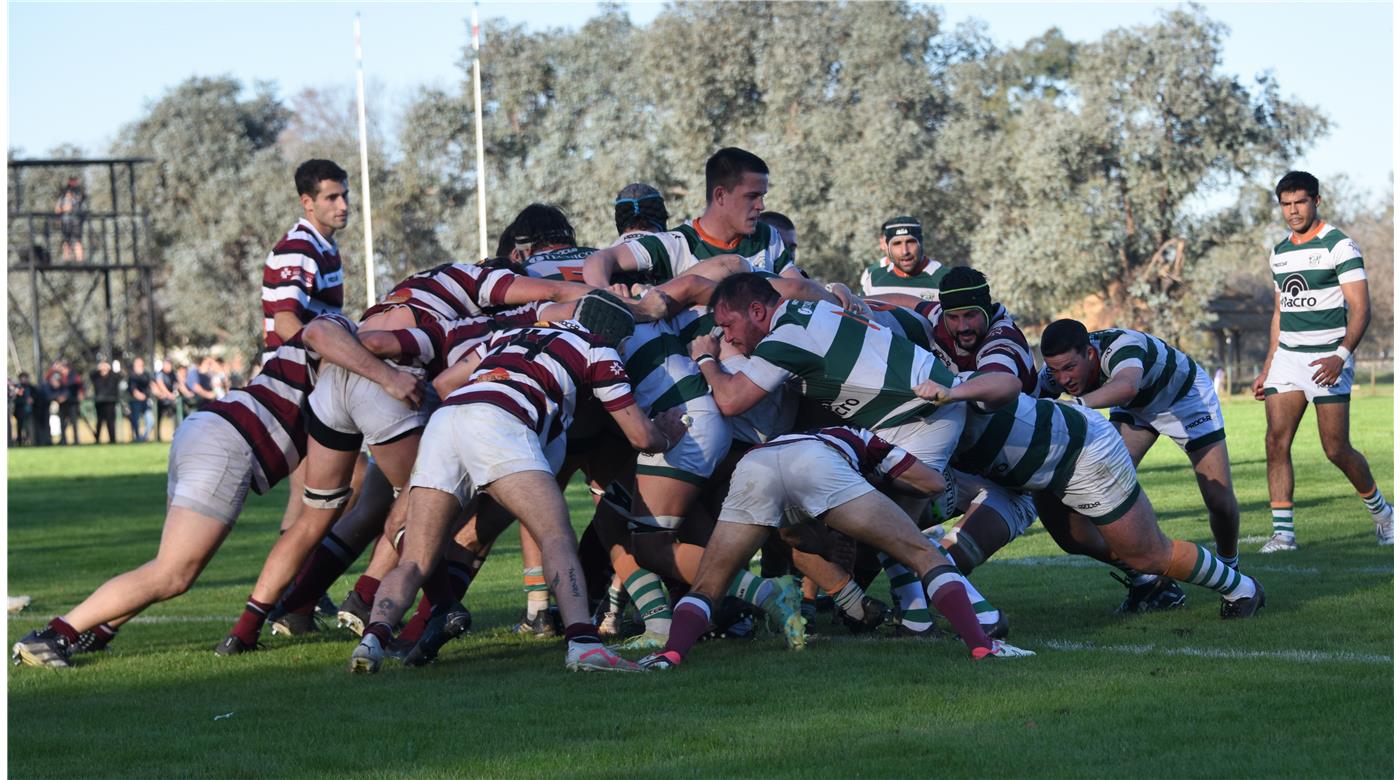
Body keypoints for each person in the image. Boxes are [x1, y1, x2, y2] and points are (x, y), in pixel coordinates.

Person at [11, 314, 377, 668]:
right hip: (228, 443)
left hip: (209, 428)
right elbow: (318, 331)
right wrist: (387, 377)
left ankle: (101, 629)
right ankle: (54, 636)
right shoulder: (344, 333)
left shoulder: (345, 356)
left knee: (167, 566)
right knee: (173, 574)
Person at [348, 315, 685, 675]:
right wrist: (666, 434)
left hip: (447, 420)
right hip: (502, 419)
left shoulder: (513, 332)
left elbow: (446, 382)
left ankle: (372, 641)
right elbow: (640, 436)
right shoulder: (599, 347)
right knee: (555, 536)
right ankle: (583, 644)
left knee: (414, 560)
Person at [688, 273, 1003, 638]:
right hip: (917, 413)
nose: (726, 336)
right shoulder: (806, 310)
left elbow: (729, 400)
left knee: (891, 532)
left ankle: (983, 617)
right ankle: (918, 617)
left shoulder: (786, 336)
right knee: (885, 530)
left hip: (919, 419)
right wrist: (839, 287)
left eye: (728, 324)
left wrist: (706, 360)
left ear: (757, 310)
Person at [639, 426, 1034, 670]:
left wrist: (831, 538)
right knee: (923, 553)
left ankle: (669, 656)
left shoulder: (787, 439)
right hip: (819, 463)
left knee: (708, 584)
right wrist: (885, 494)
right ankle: (983, 648)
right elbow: (929, 482)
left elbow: (794, 539)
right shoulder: (860, 435)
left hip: (754, 466)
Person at [912, 368, 1267, 620]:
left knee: (1147, 552)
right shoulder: (905, 406)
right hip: (1035, 472)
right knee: (1075, 539)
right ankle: (1153, 587)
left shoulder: (949, 382)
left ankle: (1241, 588)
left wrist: (954, 392)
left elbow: (1007, 382)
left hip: (1081, 450)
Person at [1039, 318, 1242, 610]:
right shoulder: (1054, 372)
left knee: (1219, 499)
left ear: (1090, 354)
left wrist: (1077, 406)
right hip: (1137, 410)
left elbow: (1127, 385)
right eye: (1055, 370)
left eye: (1070, 368)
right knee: (1100, 494)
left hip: (1184, 399)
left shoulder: (1121, 348)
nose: (1063, 379)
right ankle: (1149, 581)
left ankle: (1230, 571)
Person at [1253, 170, 1393, 551]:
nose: (1293, 211)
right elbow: (1281, 312)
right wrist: (1268, 367)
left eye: (1300, 202)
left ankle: (1385, 515)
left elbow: (1361, 308)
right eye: (1286, 204)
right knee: (1275, 442)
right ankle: (1283, 535)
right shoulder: (1279, 252)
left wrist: (1340, 356)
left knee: (1336, 449)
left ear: (1316, 201)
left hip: (1329, 359)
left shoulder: (1340, 246)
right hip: (1287, 360)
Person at [582, 148, 800, 287]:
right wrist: (605, 296)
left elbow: (797, 287)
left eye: (762, 196)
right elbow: (599, 259)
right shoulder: (675, 244)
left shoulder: (767, 236)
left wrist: (831, 292)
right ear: (721, 195)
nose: (761, 206)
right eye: (752, 197)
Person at [858, 216, 949, 301]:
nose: (905, 251)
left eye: (910, 242)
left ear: (921, 242)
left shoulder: (944, 279)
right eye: (897, 243)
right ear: (887, 247)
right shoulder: (874, 279)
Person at [89, 358, 122, 444]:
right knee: (99, 422)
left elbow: (119, 376)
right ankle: (97, 440)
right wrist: (99, 369)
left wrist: (110, 370)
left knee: (110, 422)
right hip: (100, 402)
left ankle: (112, 439)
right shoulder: (97, 376)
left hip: (110, 402)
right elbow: (91, 375)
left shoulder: (113, 376)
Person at [55, 177, 86, 262]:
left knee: (77, 241)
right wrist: (64, 209)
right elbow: (58, 209)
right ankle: (67, 259)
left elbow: (76, 206)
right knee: (66, 241)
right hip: (66, 222)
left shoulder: (78, 196)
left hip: (75, 222)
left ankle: (80, 259)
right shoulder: (62, 198)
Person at [126, 357, 154, 443]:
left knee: (150, 421)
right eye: (138, 364)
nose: (140, 365)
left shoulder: (146, 374)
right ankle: (137, 438)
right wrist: (140, 395)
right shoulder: (132, 375)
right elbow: (133, 390)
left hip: (145, 402)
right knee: (135, 421)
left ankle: (143, 437)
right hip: (135, 402)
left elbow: (151, 384)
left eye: (141, 364)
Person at [152, 360, 179, 441]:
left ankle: (176, 435)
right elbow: (160, 385)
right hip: (160, 400)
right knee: (158, 418)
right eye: (168, 365)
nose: (169, 367)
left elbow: (176, 384)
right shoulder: (159, 374)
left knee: (174, 416)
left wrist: (174, 393)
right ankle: (157, 437)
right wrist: (169, 395)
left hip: (170, 400)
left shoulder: (172, 374)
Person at [11, 373, 36, 446]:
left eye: (25, 377)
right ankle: (20, 443)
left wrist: (32, 400)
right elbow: (15, 400)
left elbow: (36, 397)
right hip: (20, 413)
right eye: (22, 378)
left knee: (30, 428)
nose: (24, 379)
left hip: (30, 412)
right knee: (20, 428)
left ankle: (31, 442)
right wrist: (25, 400)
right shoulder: (17, 388)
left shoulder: (31, 388)